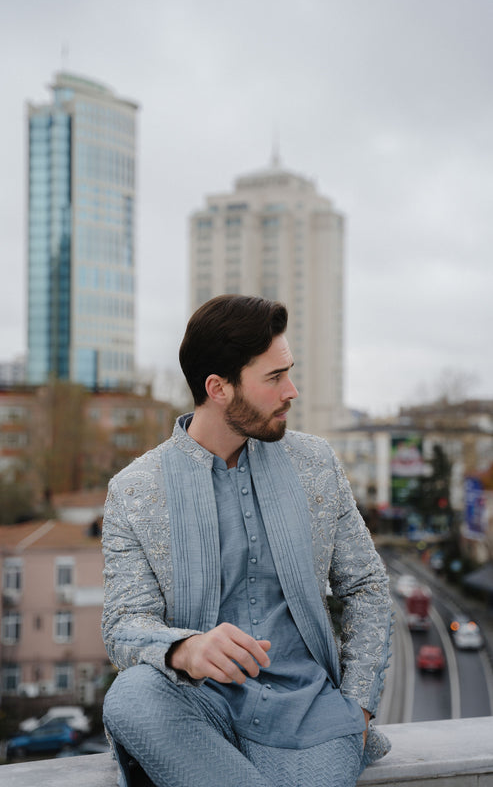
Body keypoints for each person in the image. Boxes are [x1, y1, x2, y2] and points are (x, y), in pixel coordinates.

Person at [102, 294, 393, 787]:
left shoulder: (315, 464)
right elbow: (122, 624)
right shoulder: (133, 490)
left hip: (310, 715)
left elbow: (366, 586)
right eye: (275, 378)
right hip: (198, 704)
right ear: (218, 388)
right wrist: (185, 649)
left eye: (289, 373)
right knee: (130, 695)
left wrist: (359, 705)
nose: (292, 391)